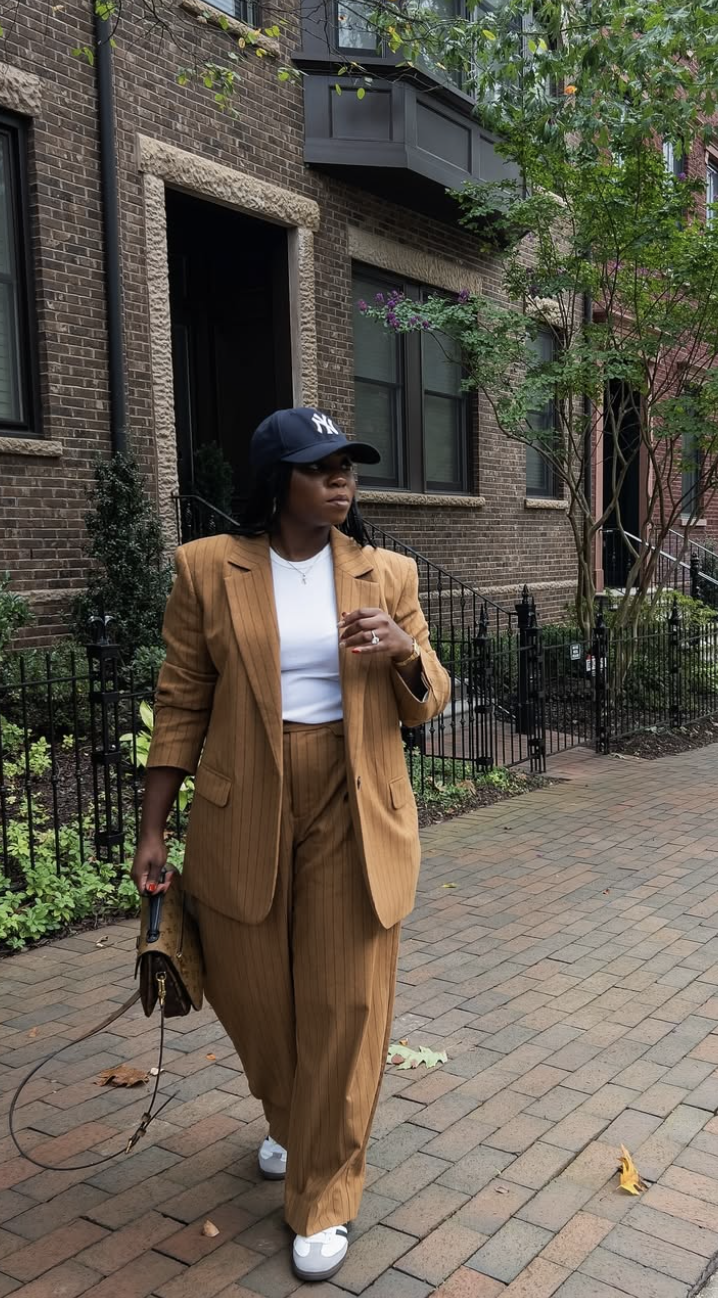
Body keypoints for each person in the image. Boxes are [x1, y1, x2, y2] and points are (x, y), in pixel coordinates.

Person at [130, 407, 450, 1283]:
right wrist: (154, 827)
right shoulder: (208, 569)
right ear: (279, 481)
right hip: (247, 804)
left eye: (348, 465)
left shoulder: (388, 573)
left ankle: (323, 1192)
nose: (341, 479)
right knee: (255, 995)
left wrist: (399, 652)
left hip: (355, 803)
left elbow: (430, 695)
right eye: (321, 467)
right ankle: (291, 1118)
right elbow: (183, 698)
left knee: (347, 1007)